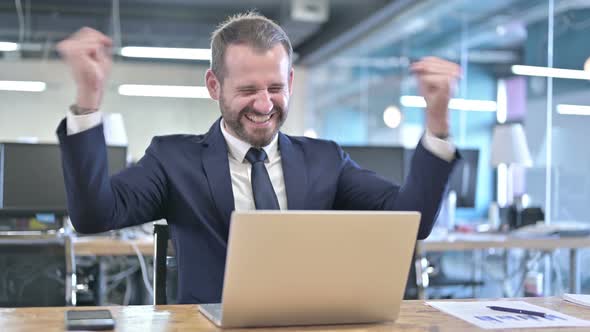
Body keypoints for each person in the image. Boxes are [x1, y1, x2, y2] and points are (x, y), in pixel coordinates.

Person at [56, 12, 460, 304]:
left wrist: (438, 121)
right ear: (214, 85)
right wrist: (89, 101)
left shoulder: (326, 160)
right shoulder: (172, 159)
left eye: (275, 87)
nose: (265, 104)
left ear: (290, 81)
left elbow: (414, 221)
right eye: (248, 89)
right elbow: (94, 215)